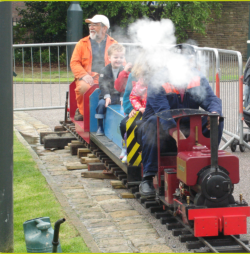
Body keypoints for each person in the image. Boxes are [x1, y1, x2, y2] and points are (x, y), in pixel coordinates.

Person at [137, 44, 223, 197]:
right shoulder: (158, 80)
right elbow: (163, 112)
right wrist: (177, 135)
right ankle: (148, 177)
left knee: (217, 121)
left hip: (186, 126)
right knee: (152, 124)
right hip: (162, 128)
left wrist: (215, 114)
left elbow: (211, 99)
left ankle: (210, 164)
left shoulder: (197, 77)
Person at [70, 14, 117, 121]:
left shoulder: (114, 44)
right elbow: (74, 62)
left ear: (104, 28)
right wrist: (83, 75)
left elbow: (121, 62)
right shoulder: (82, 43)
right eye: (90, 25)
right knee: (83, 87)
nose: (91, 28)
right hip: (89, 78)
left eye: (95, 25)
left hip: (108, 78)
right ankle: (82, 112)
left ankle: (112, 114)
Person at [95, 43, 126, 135]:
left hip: (119, 96)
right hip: (108, 96)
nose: (118, 60)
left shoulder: (124, 71)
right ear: (109, 58)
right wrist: (107, 96)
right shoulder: (104, 70)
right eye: (115, 57)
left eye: (121, 57)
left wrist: (122, 98)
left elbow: (125, 85)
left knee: (128, 105)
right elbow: (103, 85)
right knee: (101, 104)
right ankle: (100, 126)